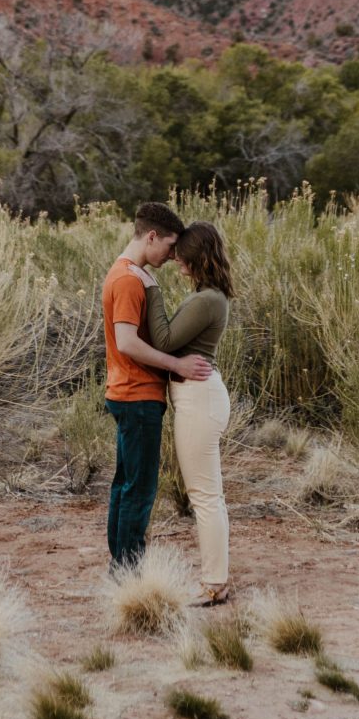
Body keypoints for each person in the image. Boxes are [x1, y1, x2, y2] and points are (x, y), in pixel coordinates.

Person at [101, 201, 211, 569]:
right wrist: (177, 363)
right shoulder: (130, 280)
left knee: (125, 485)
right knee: (140, 489)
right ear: (151, 236)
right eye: (169, 245)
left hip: (126, 394)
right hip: (137, 396)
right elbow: (127, 341)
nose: (172, 254)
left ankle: (120, 567)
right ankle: (129, 571)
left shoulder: (125, 274)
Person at [162, 221, 235, 605]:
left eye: (181, 254)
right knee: (209, 494)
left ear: (198, 255)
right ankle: (216, 580)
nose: (176, 260)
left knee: (204, 495)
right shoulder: (209, 296)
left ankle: (214, 584)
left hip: (198, 399)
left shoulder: (206, 300)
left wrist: (148, 295)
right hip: (200, 397)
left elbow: (165, 340)